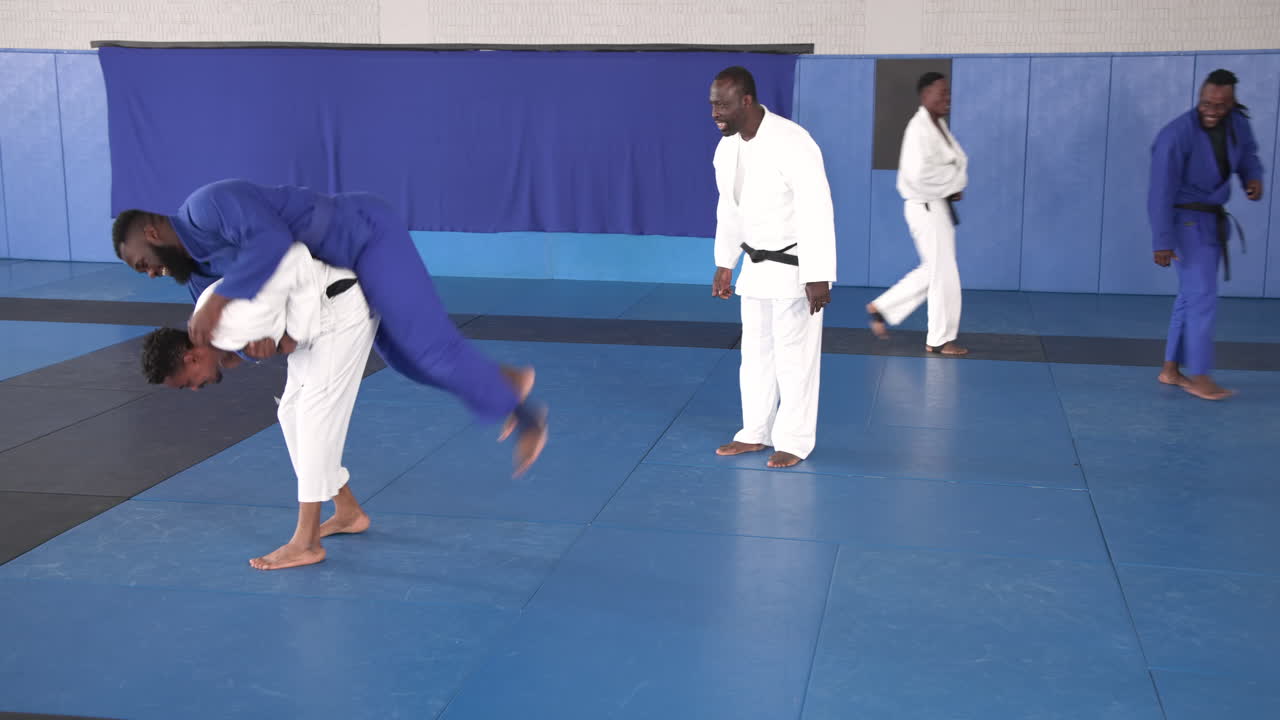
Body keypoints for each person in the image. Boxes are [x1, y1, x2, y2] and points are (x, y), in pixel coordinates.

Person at [113, 179, 547, 471]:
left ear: (152, 233)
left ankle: (527, 417)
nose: (149, 273)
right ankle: (498, 381)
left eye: (141, 264)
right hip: (335, 282)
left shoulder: (208, 206)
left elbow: (274, 244)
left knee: (431, 350)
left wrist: (223, 303)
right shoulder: (198, 276)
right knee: (404, 362)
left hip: (365, 238)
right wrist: (254, 347)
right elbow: (240, 332)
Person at [141, 242, 380, 570]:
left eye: (188, 381)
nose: (196, 388)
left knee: (314, 417)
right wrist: (285, 336)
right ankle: (349, 512)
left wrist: (293, 333)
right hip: (320, 318)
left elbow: (293, 255)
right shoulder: (213, 329)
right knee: (290, 413)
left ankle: (306, 542)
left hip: (342, 309)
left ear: (191, 356)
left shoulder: (228, 324)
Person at [708, 65, 837, 469]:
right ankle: (754, 432)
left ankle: (795, 441)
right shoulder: (727, 147)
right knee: (756, 355)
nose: (716, 113)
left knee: (795, 358)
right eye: (712, 104)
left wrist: (818, 273)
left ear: (746, 100)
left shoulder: (793, 141)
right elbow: (729, 209)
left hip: (795, 267)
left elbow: (817, 208)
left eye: (723, 105)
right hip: (755, 267)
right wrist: (724, 262)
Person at [1149, 68, 1265, 401]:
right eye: (1206, 103)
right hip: (1186, 223)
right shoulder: (1176, 135)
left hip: (1211, 222)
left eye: (1220, 104)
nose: (1212, 110)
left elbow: (1248, 156)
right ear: (1199, 97)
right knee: (1202, 299)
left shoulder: (1237, 125)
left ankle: (1171, 370)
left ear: (1231, 102)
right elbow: (1159, 192)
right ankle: (1200, 377)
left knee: (1189, 297)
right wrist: (1162, 241)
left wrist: (1251, 179)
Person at [866, 71, 968, 355]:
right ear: (925, 96)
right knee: (944, 275)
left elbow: (949, 166)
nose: (947, 98)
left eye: (948, 93)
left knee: (936, 270)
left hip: (936, 207)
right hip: (925, 207)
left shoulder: (938, 126)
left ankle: (882, 307)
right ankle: (939, 340)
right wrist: (952, 184)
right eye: (941, 93)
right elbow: (915, 177)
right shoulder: (918, 130)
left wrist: (951, 185)